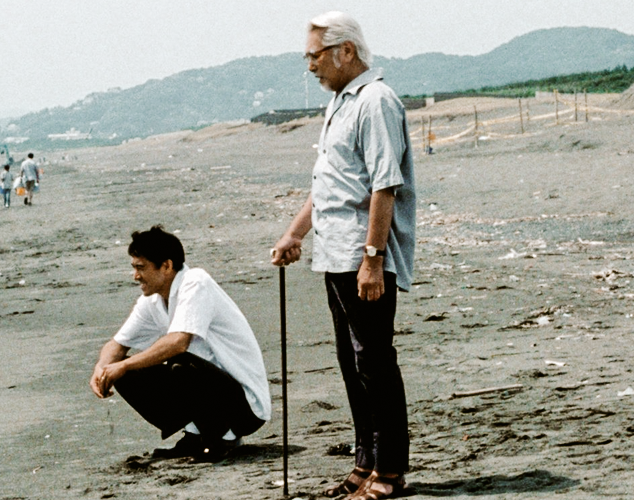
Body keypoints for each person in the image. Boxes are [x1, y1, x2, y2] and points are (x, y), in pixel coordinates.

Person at [270, 11, 415, 500]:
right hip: (334, 254)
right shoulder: (340, 102)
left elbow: (384, 186)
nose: (309, 66)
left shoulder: (375, 101)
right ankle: (365, 463)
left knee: (374, 362)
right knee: (352, 363)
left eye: (314, 56)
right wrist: (294, 234)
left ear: (345, 51)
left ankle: (389, 471)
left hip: (360, 255)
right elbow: (330, 185)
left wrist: (373, 258)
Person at [90, 226, 271, 462]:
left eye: (141, 267)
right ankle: (195, 435)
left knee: (179, 362)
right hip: (212, 393)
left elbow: (178, 343)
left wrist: (123, 366)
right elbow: (117, 344)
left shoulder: (195, 282)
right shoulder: (152, 300)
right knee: (120, 369)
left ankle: (224, 438)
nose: (135, 276)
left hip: (245, 407)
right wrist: (102, 368)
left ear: (166, 266)